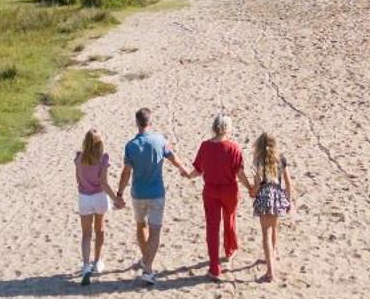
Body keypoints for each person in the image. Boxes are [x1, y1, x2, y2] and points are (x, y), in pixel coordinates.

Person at [115, 107, 187, 285]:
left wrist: (119, 193)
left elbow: (126, 172)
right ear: (150, 121)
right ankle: (147, 267)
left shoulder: (131, 145)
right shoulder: (160, 140)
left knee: (140, 225)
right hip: (156, 193)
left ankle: (145, 260)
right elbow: (173, 157)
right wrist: (184, 169)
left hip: (138, 193)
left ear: (136, 122)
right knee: (155, 230)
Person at [190, 114, 246, 280]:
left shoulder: (205, 146)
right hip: (229, 189)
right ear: (227, 128)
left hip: (210, 191)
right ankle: (229, 249)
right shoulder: (233, 147)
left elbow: (198, 170)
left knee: (212, 228)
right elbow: (239, 172)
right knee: (230, 219)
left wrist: (188, 175)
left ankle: (214, 267)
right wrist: (250, 186)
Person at [248, 132, 293, 283]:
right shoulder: (281, 159)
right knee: (274, 229)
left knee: (266, 234)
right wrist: (289, 201)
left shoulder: (258, 161)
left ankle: (270, 272)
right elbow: (288, 184)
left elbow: (256, 185)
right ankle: (272, 255)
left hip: (265, 195)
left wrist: (252, 192)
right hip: (277, 195)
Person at [74, 129, 117, 284]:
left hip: (84, 197)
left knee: (86, 234)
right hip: (99, 197)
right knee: (99, 230)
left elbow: (77, 179)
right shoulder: (103, 158)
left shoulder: (79, 157)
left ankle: (86, 265)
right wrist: (116, 199)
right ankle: (97, 261)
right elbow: (104, 183)